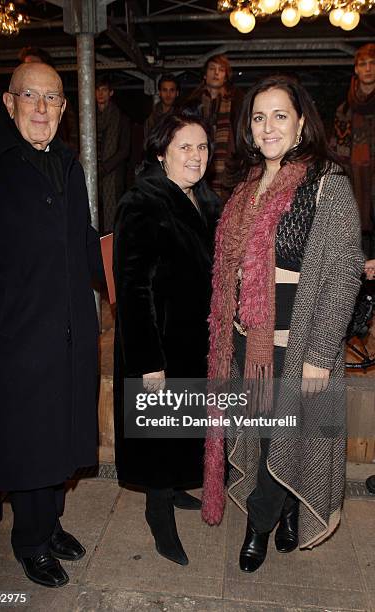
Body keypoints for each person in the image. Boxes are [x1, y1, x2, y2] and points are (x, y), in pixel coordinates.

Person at [201, 75, 364, 573]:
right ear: (248, 130)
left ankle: (259, 525)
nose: (267, 126)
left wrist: (319, 356)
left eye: (279, 115)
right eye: (258, 117)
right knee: (267, 435)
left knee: (287, 436)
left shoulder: (327, 183)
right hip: (253, 344)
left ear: (300, 125)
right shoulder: (247, 186)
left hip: (300, 345)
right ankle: (289, 507)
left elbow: (342, 273)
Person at [0, 62, 103, 587]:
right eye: (32, 97)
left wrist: (125, 261)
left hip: (67, 330)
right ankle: (30, 541)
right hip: (13, 336)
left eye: (53, 99)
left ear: (65, 109)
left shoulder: (67, 162)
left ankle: (50, 525)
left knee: (60, 435)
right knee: (27, 443)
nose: (42, 108)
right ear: (9, 102)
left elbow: (80, 237)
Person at [113, 109, 220, 566]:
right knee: (158, 433)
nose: (196, 157)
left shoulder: (204, 199)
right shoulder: (142, 202)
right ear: (161, 153)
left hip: (191, 338)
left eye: (202, 147)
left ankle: (174, 488)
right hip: (156, 341)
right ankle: (159, 514)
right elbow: (133, 288)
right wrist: (147, 360)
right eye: (184, 148)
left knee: (182, 427)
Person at [331, 43, 375, 259]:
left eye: (372, 63)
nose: (368, 68)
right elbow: (337, 153)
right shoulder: (345, 108)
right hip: (354, 181)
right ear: (356, 69)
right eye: (363, 64)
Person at [184, 54, 242, 200]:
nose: (216, 73)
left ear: (226, 76)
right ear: (204, 75)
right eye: (212, 69)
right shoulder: (192, 102)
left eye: (221, 70)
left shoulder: (237, 101)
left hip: (228, 164)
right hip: (198, 160)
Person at [19, 45, 79, 153]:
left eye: (34, 66)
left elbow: (71, 135)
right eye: (26, 66)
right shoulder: (17, 100)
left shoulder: (59, 101)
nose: (29, 70)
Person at [95, 76, 131, 235]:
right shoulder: (88, 117)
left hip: (113, 175)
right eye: (97, 90)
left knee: (113, 218)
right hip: (92, 172)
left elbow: (124, 150)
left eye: (103, 90)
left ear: (111, 93)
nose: (100, 93)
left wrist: (104, 168)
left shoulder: (121, 118)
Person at [144, 73, 180, 139]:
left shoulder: (182, 116)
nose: (168, 95)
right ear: (160, 93)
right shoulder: (152, 118)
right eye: (165, 90)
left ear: (177, 93)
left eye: (172, 90)